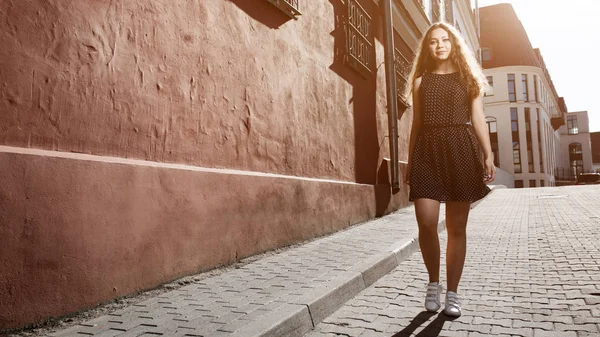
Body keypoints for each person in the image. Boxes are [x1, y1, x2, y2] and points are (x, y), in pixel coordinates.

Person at [403, 22, 495, 317]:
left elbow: (478, 119)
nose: (440, 45)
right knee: (427, 224)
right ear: (427, 48)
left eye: (445, 40)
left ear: (454, 44)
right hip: (427, 152)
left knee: (457, 228)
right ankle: (433, 284)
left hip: (461, 151)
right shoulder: (420, 81)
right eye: (433, 42)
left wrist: (488, 154)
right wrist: (409, 159)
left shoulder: (469, 81)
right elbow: (416, 125)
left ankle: (452, 293)